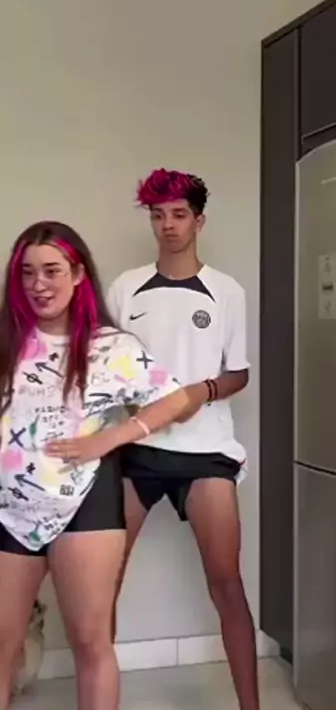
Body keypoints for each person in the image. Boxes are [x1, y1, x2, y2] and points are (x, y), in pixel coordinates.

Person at [0, 220, 207, 710]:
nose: (38, 284)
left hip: (85, 507)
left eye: (52, 271)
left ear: (78, 275)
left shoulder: (110, 347)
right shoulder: (7, 342)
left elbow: (176, 399)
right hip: (9, 509)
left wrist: (112, 437)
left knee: (91, 643)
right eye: (27, 272)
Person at [107, 168, 258, 710]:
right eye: (158, 215)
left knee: (226, 583)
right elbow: (108, 364)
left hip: (206, 453)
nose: (167, 225)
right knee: (99, 584)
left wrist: (202, 391)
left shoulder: (226, 291)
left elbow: (238, 373)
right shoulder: (125, 288)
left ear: (199, 220)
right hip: (138, 452)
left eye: (178, 214)